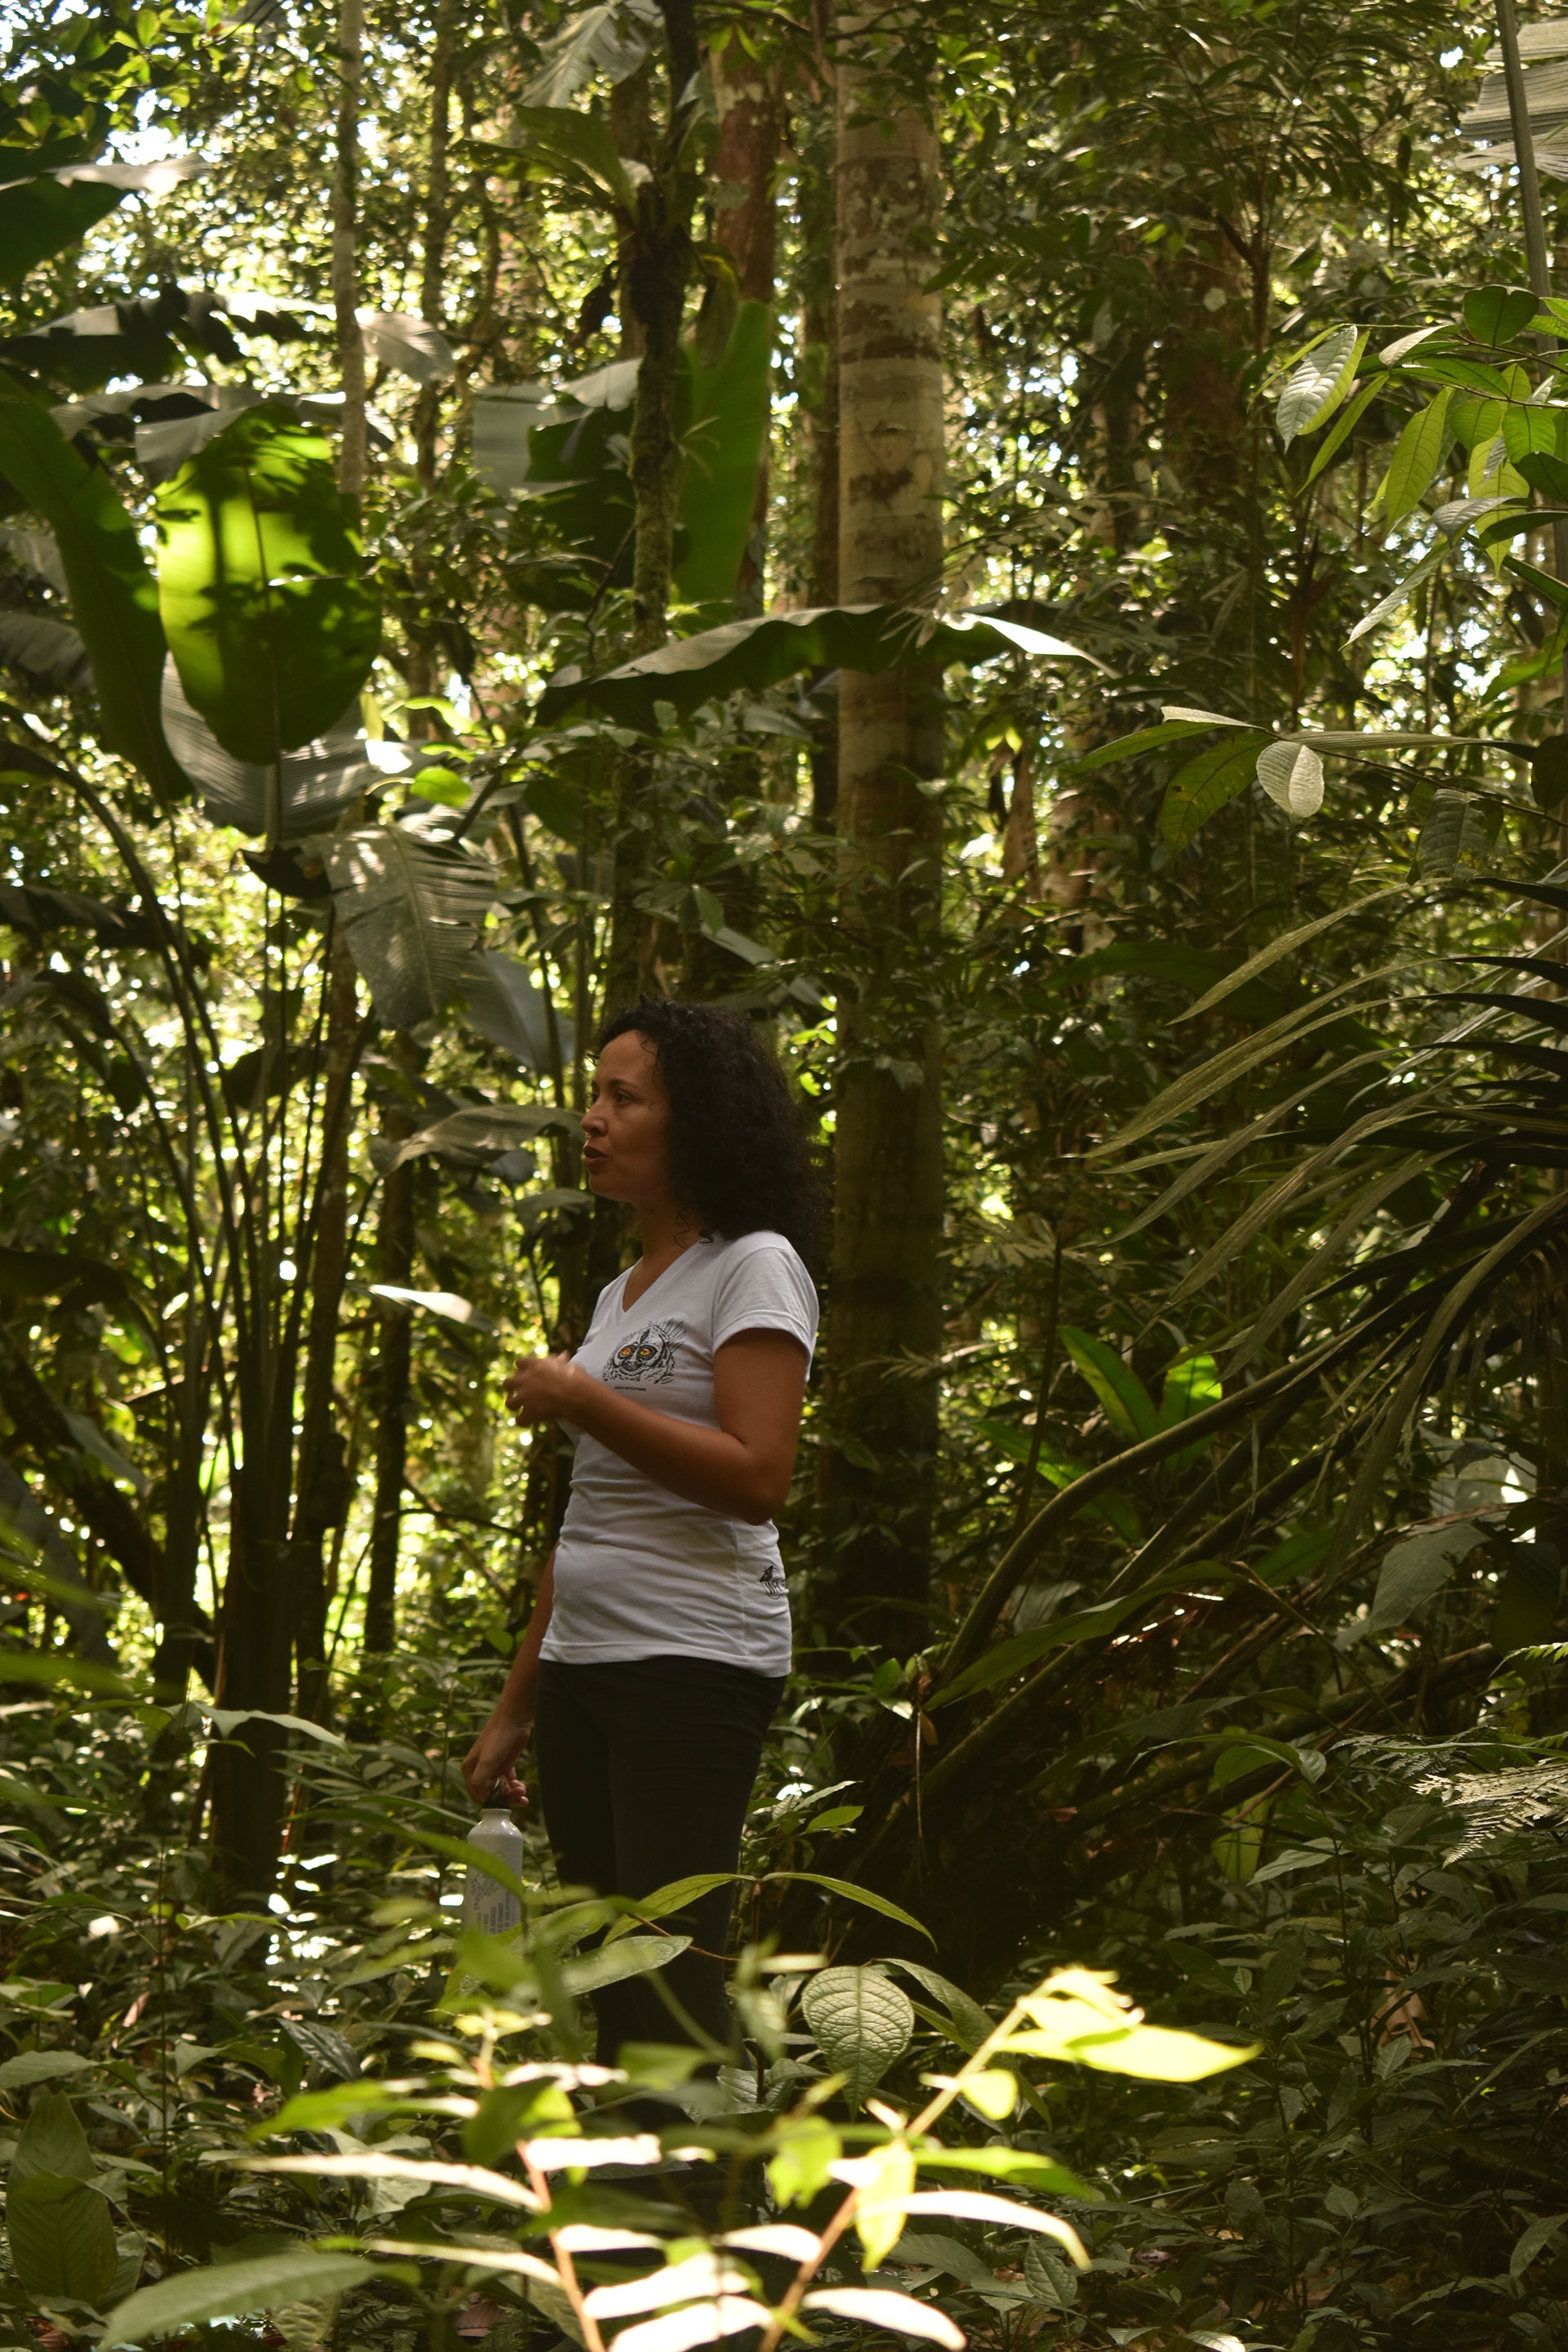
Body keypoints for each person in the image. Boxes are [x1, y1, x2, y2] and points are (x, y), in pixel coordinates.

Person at [462, 998, 821, 2067]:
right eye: (596, 1095)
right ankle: (633, 2175)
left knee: (668, 1982)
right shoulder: (622, 1294)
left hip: (692, 1662)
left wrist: (584, 1399)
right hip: (584, 1669)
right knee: (610, 1977)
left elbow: (759, 1477)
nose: (593, 1118)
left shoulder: (755, 1265)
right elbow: (593, 1514)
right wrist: (517, 1706)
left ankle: (701, 2171)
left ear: (694, 1123)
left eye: (624, 1098)